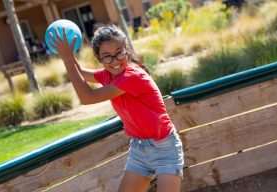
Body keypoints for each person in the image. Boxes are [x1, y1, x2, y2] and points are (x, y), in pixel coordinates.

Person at [47, 24, 184, 192]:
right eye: (107, 56)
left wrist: (68, 59)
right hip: (139, 149)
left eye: (119, 53)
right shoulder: (108, 74)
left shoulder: (132, 76)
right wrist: (67, 54)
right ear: (99, 58)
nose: (115, 60)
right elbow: (81, 72)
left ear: (127, 50)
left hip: (165, 148)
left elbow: (87, 97)